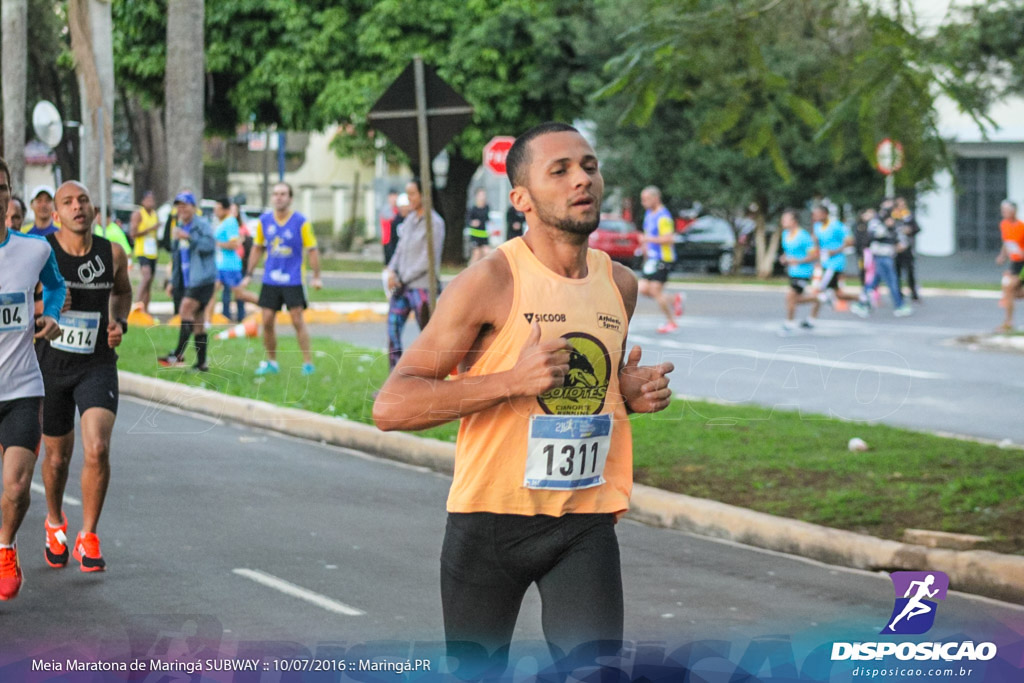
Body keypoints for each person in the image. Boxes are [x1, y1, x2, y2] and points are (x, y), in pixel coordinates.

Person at [373, 122, 673, 670]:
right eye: (558, 171)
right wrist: (509, 380)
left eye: (589, 165)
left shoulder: (620, 285)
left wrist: (623, 394)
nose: (581, 179)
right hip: (490, 523)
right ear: (522, 199)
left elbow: (575, 397)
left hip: (584, 520)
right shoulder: (491, 281)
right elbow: (392, 405)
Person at [37, 181, 132, 573]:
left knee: (97, 448)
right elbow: (17, 300)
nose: (78, 207)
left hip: (96, 362)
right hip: (51, 365)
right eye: (68, 202)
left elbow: (123, 293)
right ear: (56, 214)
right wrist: (49, 302)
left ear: (94, 209)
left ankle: (88, 536)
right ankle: (55, 520)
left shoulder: (112, 253)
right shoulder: (43, 254)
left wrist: (120, 323)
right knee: (57, 460)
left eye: (83, 200)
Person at [0, 157, 65, 600]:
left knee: (17, 487)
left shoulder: (33, 249)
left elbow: (56, 286)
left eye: (1, 187)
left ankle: (5, 547)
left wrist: (54, 314)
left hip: (22, 387)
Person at [241, 182, 322, 376]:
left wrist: (316, 276)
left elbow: (312, 249)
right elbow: (257, 247)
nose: (279, 197)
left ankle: (308, 363)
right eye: (276, 194)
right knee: (267, 320)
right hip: (270, 279)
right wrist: (249, 274)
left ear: (290, 198)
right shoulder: (264, 221)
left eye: (283, 194)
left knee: (297, 320)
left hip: (293, 279)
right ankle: (271, 362)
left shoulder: (301, 222)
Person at [384, 179, 445, 370]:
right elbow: (400, 249)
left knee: (428, 337)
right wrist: (392, 270)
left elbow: (428, 259)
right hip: (402, 288)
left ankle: (430, 380)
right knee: (392, 332)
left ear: (424, 195)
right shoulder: (409, 220)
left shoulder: (435, 223)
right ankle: (394, 383)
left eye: (412, 194)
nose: (408, 198)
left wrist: (403, 277)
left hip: (422, 287)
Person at [157, 192, 217, 371]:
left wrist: (189, 237)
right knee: (198, 321)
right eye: (179, 206)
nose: (181, 209)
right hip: (186, 280)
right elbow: (176, 257)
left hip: (202, 279)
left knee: (185, 309)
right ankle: (201, 363)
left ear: (194, 207)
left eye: (185, 205)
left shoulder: (202, 226)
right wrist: (172, 281)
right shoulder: (179, 226)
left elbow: (209, 247)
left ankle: (178, 354)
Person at [852, 208, 912, 317]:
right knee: (891, 281)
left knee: (874, 282)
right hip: (881, 257)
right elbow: (877, 236)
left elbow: (901, 239)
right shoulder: (876, 225)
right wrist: (890, 230)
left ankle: (862, 303)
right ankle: (899, 305)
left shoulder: (893, 227)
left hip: (888, 256)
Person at [638, 186, 682, 334]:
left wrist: (648, 239)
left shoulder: (664, 217)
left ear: (655, 198)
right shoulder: (649, 214)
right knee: (643, 289)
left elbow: (669, 239)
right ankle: (673, 299)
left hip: (663, 258)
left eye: (646, 199)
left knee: (656, 291)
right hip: (652, 259)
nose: (643, 203)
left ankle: (671, 322)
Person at [778, 209, 820, 334]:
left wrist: (799, 261)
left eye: (786, 219)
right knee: (793, 299)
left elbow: (814, 255)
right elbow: (788, 251)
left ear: (794, 221)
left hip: (803, 272)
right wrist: (784, 258)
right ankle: (818, 299)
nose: (783, 222)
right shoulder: (785, 234)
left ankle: (789, 323)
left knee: (790, 296)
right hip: (793, 272)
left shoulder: (803, 236)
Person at [811, 205, 859, 308]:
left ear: (825, 214)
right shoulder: (817, 226)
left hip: (835, 263)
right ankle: (863, 299)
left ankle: (824, 302)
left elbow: (850, 241)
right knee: (838, 294)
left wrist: (835, 251)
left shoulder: (836, 225)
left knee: (820, 288)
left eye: (817, 214)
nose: (815, 216)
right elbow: (816, 242)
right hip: (825, 262)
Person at [213, 198, 246, 322]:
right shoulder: (221, 222)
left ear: (225, 209)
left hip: (230, 265)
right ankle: (218, 319)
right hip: (220, 264)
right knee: (213, 292)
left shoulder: (231, 222)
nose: (215, 211)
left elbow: (234, 244)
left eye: (218, 208)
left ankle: (245, 315)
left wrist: (217, 244)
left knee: (238, 293)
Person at [996, 199, 1024, 332]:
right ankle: (1008, 322)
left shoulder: (1021, 227)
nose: (1004, 212)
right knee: (1011, 291)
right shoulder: (1004, 224)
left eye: (1006, 210)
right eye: (1003, 210)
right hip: (1014, 263)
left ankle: (1008, 322)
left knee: (1011, 289)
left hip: (1022, 262)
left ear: (1014, 211)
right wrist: (1002, 256)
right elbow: (1006, 242)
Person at [130, 190, 161, 313]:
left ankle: (146, 311)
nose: (151, 202)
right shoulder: (138, 214)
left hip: (152, 252)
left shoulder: (155, 215)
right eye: (148, 200)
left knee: (150, 282)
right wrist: (150, 229)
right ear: (143, 201)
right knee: (146, 277)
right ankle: (136, 305)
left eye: (152, 200)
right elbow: (133, 233)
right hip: (142, 251)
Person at [892, 197, 920, 302]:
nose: (902, 207)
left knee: (910, 271)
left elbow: (917, 228)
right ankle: (898, 293)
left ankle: (913, 293)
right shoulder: (892, 217)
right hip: (896, 249)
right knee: (896, 272)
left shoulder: (908, 216)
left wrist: (910, 230)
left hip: (907, 248)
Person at [466, 187, 491, 264]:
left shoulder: (487, 208)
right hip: (475, 234)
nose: (482, 197)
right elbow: (468, 220)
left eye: (483, 195)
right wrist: (472, 223)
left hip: (484, 234)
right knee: (476, 254)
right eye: (480, 195)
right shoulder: (473, 209)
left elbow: (487, 219)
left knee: (487, 253)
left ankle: (483, 272)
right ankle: (469, 271)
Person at [381, 190, 400, 266]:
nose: (394, 199)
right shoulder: (386, 210)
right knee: (389, 262)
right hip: (387, 240)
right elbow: (392, 219)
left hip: (396, 239)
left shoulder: (399, 209)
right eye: (392, 197)